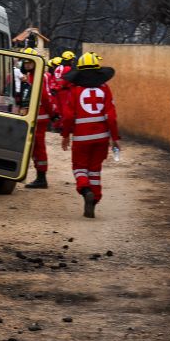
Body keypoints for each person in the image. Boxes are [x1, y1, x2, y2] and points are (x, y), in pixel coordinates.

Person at [60, 52, 120, 218]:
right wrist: (115, 139)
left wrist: (65, 135)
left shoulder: (75, 90)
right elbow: (112, 117)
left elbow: (69, 117)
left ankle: (85, 190)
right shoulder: (105, 89)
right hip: (101, 137)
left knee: (79, 168)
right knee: (95, 169)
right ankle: (94, 199)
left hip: (81, 137)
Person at [17, 48, 53, 189]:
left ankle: (41, 178)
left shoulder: (36, 76)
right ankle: (38, 176)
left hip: (39, 117)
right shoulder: (32, 76)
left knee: (38, 147)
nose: (27, 65)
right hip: (35, 116)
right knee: (34, 147)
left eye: (29, 62)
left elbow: (44, 97)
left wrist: (53, 115)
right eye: (25, 62)